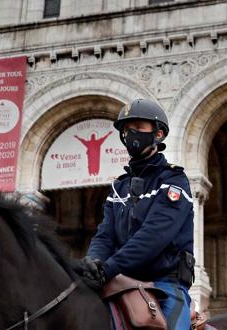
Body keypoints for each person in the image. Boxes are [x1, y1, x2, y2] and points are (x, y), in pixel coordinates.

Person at [79, 98, 195, 330]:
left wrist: (108, 268)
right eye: (126, 129)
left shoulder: (173, 180)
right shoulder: (118, 187)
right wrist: (93, 263)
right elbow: (104, 236)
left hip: (165, 284)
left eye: (138, 128)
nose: (130, 134)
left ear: (158, 134)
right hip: (120, 281)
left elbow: (154, 236)